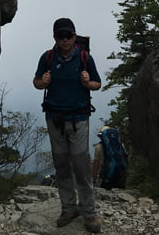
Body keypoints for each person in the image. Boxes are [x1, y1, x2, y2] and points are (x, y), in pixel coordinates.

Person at [33, 18, 102, 233]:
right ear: (55, 37)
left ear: (74, 36)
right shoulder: (47, 57)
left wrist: (87, 82)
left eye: (68, 36)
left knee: (81, 166)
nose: (65, 40)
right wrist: (42, 82)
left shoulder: (84, 58)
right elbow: (36, 82)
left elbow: (97, 84)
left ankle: (89, 213)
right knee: (62, 165)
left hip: (79, 118)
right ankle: (69, 208)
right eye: (60, 36)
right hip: (54, 118)